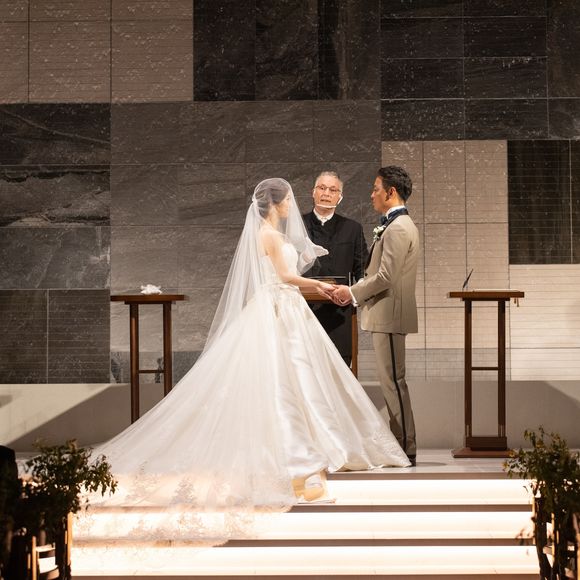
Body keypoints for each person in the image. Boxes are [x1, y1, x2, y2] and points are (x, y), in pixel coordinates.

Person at [83, 178, 410, 545]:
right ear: (276, 203)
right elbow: (284, 277)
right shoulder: (267, 235)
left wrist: (318, 282)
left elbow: (286, 275)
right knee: (283, 385)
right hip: (279, 308)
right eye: (288, 200)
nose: (292, 205)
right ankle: (298, 464)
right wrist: (321, 286)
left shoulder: (271, 233)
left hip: (286, 307)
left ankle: (305, 455)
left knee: (298, 381)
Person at [332, 166, 419, 465]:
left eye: (376, 189)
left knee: (393, 381)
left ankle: (405, 447)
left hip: (390, 314)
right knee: (391, 381)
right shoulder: (394, 225)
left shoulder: (399, 227)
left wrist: (352, 292)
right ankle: (402, 445)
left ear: (391, 192)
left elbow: (385, 276)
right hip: (385, 314)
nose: (372, 194)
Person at [302, 171, 368, 366]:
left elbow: (363, 270)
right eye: (322, 188)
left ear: (340, 197)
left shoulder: (353, 228)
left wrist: (353, 292)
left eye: (333, 190)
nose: (326, 193)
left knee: (340, 367)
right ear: (313, 192)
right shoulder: (297, 225)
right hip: (303, 311)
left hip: (340, 311)